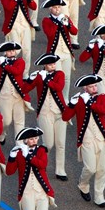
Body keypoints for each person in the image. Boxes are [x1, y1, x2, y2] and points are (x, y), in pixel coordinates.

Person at [62, 74, 105, 207]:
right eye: (91, 86)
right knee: (90, 168)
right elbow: (65, 117)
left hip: (101, 139)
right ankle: (83, 184)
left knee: (102, 169)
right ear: (85, 88)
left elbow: (104, 111)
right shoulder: (78, 100)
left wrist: (90, 102)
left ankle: (99, 196)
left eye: (95, 85)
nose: (95, 88)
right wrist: (71, 105)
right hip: (86, 139)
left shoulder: (101, 98)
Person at [6, 127, 55, 210]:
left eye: (35, 138)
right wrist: (12, 157)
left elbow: (42, 164)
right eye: (31, 139)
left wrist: (28, 155)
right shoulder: (20, 153)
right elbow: (9, 172)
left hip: (42, 191)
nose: (33, 141)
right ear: (25, 140)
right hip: (27, 192)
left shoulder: (41, 150)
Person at [24, 53, 67, 181]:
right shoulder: (39, 76)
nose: (53, 66)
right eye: (50, 64)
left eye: (54, 63)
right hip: (44, 112)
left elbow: (59, 87)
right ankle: (40, 163)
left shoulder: (60, 74)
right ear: (45, 65)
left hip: (59, 113)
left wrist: (46, 80)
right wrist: (30, 79)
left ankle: (60, 170)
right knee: (48, 143)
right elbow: (25, 89)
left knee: (60, 143)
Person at [0, 41, 33, 141]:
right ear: (5, 53)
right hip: (4, 96)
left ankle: (20, 146)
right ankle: (1, 134)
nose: (12, 53)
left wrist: (4, 65)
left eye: (13, 51)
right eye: (9, 51)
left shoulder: (20, 61)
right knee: (6, 121)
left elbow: (17, 71)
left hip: (18, 96)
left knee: (19, 122)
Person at [0, 0, 36, 74]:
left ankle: (25, 73)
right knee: (16, 49)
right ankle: (5, 63)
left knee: (27, 51)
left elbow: (34, 7)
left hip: (25, 25)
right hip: (13, 26)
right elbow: (9, 7)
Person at [41, 0, 77, 97]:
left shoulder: (65, 17)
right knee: (58, 77)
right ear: (50, 9)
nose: (57, 9)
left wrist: (68, 24)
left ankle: (65, 98)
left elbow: (74, 32)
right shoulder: (46, 20)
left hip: (66, 51)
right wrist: (57, 22)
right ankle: (58, 98)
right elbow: (50, 34)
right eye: (55, 7)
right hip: (55, 53)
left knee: (67, 77)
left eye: (59, 7)